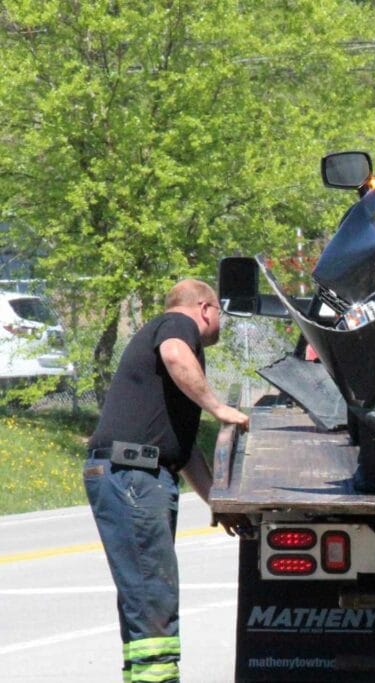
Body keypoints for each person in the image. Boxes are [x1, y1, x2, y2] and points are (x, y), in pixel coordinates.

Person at [83, 279, 250, 683]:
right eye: (220, 316)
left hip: (138, 473)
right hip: (133, 475)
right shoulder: (177, 326)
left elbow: (185, 449)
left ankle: (144, 676)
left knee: (144, 595)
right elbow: (175, 354)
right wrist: (218, 407)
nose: (221, 326)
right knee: (151, 594)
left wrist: (218, 502)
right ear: (206, 308)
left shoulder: (171, 366)